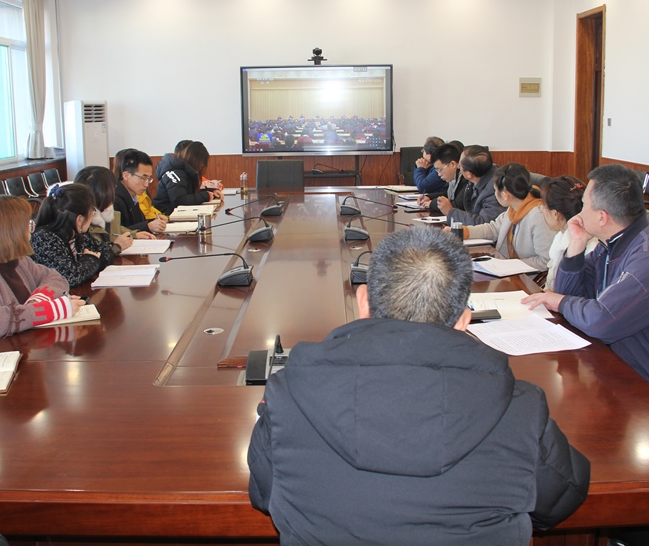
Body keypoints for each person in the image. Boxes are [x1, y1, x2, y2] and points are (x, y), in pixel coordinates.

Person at [248, 226, 589, 545]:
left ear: (363, 302)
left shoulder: (289, 394)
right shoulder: (520, 407)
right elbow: (562, 498)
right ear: (463, 320)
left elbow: (265, 493)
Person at [522, 164, 649, 424]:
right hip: (631, 365)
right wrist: (576, 244)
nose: (579, 212)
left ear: (602, 217)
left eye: (584, 205)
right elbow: (569, 293)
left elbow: (602, 321)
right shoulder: (613, 243)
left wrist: (560, 302)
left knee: (562, 416)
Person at [0, 195, 79, 344]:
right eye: (27, 224)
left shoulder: (17, 259)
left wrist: (38, 300)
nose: (31, 230)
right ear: (11, 232)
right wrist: (50, 310)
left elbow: (56, 278)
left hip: (19, 344)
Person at [460, 163, 556, 271]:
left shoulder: (538, 216)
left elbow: (545, 261)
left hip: (527, 277)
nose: (495, 194)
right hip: (507, 268)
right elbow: (493, 229)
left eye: (495, 190)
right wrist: (463, 232)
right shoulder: (513, 208)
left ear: (505, 195)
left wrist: (509, 265)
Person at [30, 183, 116, 287]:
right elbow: (70, 277)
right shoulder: (43, 239)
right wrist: (92, 259)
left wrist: (89, 262)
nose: (92, 217)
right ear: (79, 220)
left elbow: (105, 251)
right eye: (92, 212)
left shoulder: (75, 234)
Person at [537, 176, 597, 292]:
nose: (541, 211)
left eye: (543, 207)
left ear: (555, 214)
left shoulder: (590, 247)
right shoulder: (560, 235)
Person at [74, 166, 154, 243]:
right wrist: (116, 247)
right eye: (113, 187)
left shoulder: (106, 211)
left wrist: (133, 234)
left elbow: (114, 230)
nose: (114, 191)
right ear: (102, 192)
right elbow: (98, 248)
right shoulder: (84, 222)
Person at [152, 141, 223, 215]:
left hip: (172, 214)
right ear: (194, 159)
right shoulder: (175, 172)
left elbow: (188, 194)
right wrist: (206, 196)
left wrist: (210, 192)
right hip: (163, 215)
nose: (202, 165)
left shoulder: (183, 171)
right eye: (201, 162)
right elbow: (179, 200)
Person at [443, 145, 506, 226]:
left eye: (460, 165)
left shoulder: (494, 189)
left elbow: (483, 224)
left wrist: (451, 212)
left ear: (469, 174)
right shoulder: (477, 177)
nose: (458, 166)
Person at [113, 149, 168, 233]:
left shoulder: (132, 195)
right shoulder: (114, 198)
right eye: (143, 178)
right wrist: (148, 226)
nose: (146, 184)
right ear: (126, 175)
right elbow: (116, 232)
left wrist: (153, 221)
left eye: (149, 179)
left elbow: (137, 223)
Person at [425, 142, 466, 215]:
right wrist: (428, 197)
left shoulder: (466, 178)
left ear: (453, 164)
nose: (439, 174)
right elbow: (447, 195)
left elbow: (455, 205)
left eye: (440, 170)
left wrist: (432, 203)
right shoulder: (454, 178)